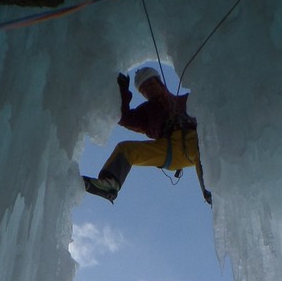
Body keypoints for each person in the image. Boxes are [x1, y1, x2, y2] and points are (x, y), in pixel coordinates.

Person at [82, 66, 211, 204]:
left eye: (150, 84)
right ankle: (110, 184)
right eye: (144, 89)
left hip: (192, 142)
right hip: (169, 149)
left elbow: (206, 108)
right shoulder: (146, 112)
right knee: (125, 149)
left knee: (201, 147)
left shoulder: (184, 100)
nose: (148, 89)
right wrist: (123, 90)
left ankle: (211, 190)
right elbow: (124, 118)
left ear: (160, 83)